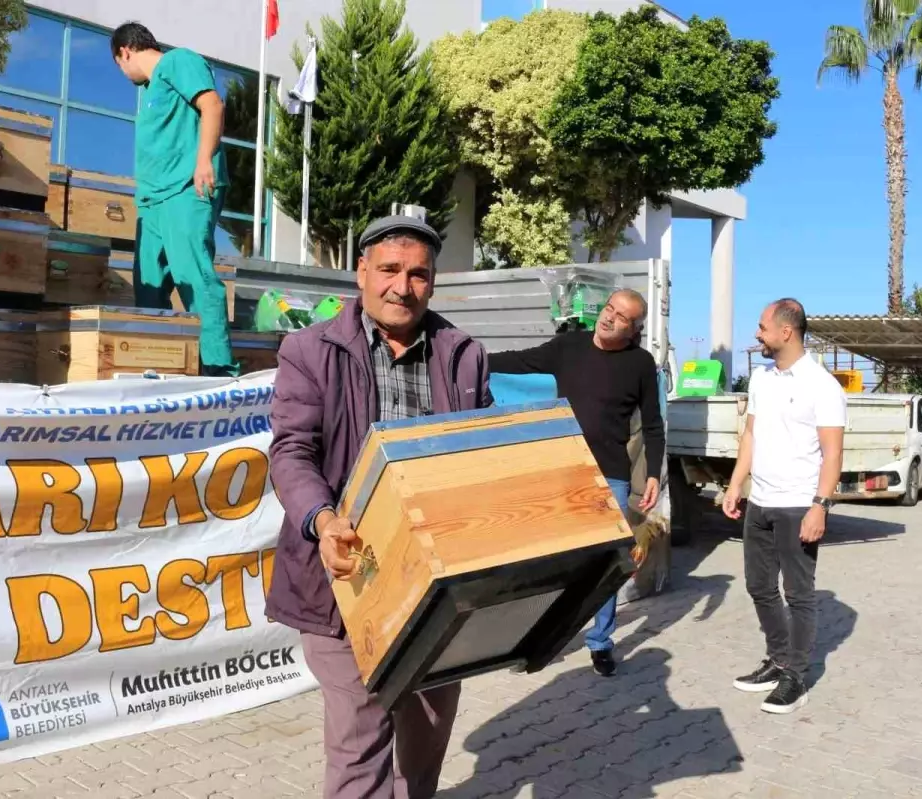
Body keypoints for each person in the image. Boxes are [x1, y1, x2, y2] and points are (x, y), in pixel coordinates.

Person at [267, 215, 493, 798]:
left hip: (440, 584)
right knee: (359, 742)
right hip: (348, 574)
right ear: (361, 272)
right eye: (389, 269)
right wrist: (322, 520)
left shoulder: (463, 355)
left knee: (426, 737)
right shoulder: (308, 350)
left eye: (419, 274)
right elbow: (292, 451)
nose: (403, 286)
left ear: (434, 282)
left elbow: (485, 454)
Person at [488, 288, 666, 677]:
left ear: (634, 329)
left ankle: (600, 642)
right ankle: (537, 642)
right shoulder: (568, 346)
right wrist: (467, 359)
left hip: (612, 476)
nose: (609, 318)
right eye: (608, 309)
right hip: (566, 471)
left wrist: (653, 472)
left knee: (604, 566)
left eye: (621, 317)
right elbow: (518, 361)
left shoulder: (640, 363)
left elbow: (652, 423)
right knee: (551, 561)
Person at [722, 298, 846, 714]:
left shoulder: (822, 386)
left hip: (798, 506)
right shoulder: (761, 379)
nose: (757, 334)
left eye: (762, 327)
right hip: (761, 502)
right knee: (759, 587)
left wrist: (820, 506)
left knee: (799, 595)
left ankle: (796, 676)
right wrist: (736, 484)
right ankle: (777, 660)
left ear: (786, 332)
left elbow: (833, 454)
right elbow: (751, 436)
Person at [111, 22, 239, 377]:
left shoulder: (178, 61)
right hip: (152, 201)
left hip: (186, 189)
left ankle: (219, 372)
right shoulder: (150, 90)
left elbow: (212, 105)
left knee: (192, 275)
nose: (124, 74)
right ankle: (157, 371)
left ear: (125, 52)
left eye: (120, 67)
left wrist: (203, 162)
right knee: (148, 287)